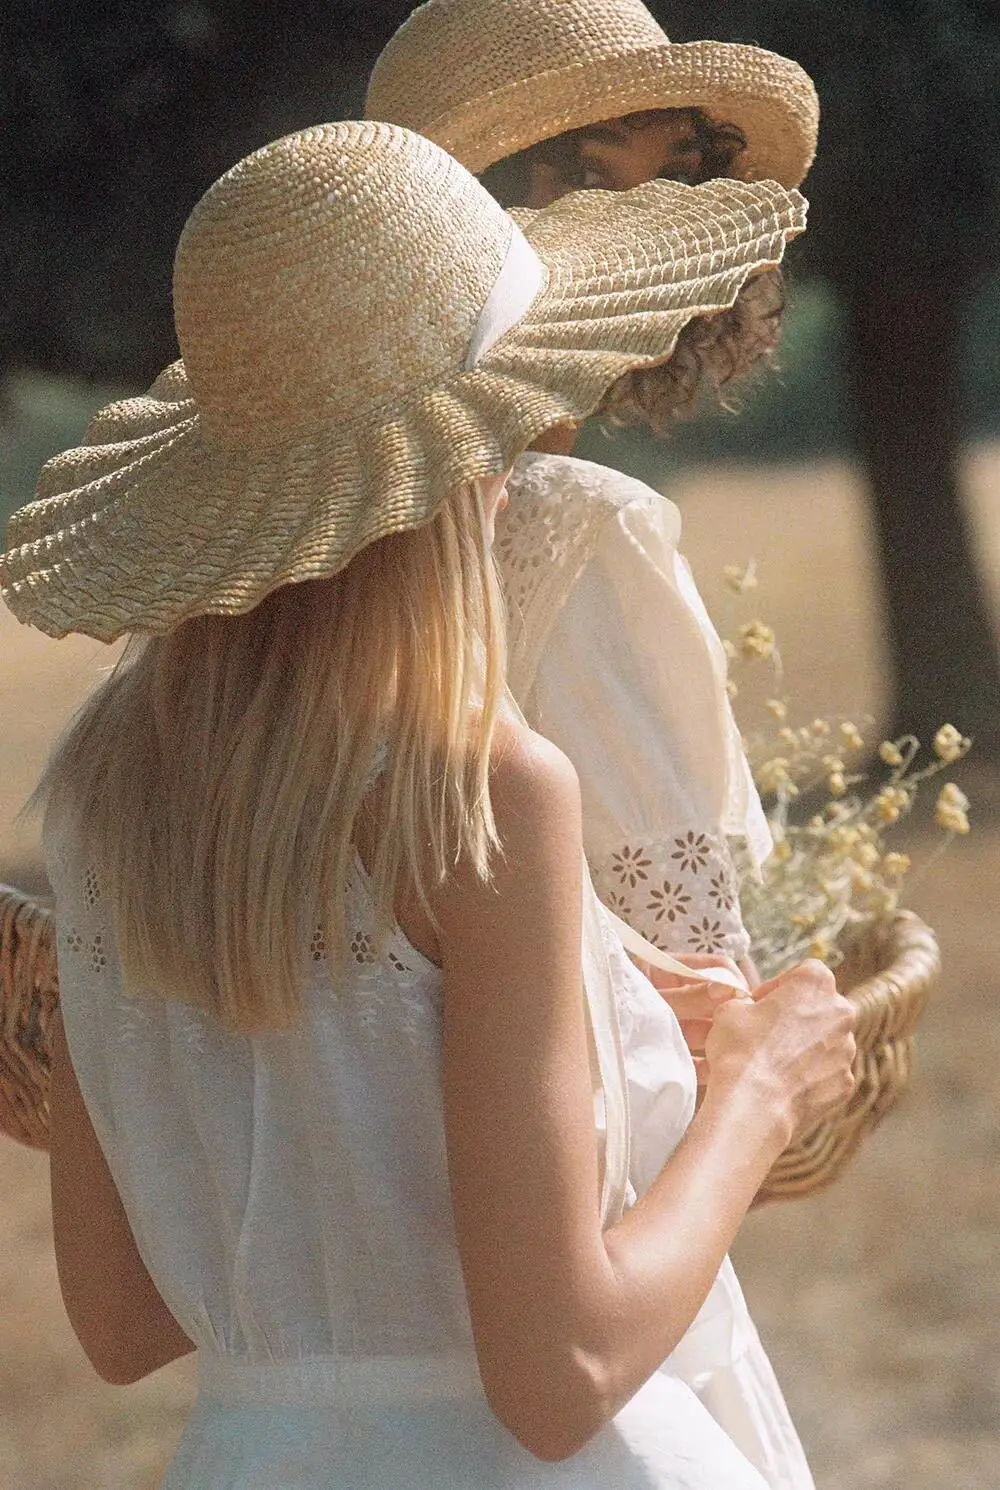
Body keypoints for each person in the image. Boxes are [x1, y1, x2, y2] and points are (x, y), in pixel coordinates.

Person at [0, 123, 854, 1487]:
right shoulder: (482, 793)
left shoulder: (109, 797)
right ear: (467, 452)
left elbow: (121, 1319)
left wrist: (617, 999)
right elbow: (557, 1376)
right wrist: (759, 1089)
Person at [365, 0, 821, 969]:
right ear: (467, 221)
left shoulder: (284, 522)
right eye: (586, 180)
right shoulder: (576, 533)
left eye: (676, 183)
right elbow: (701, 990)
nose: (649, 231)